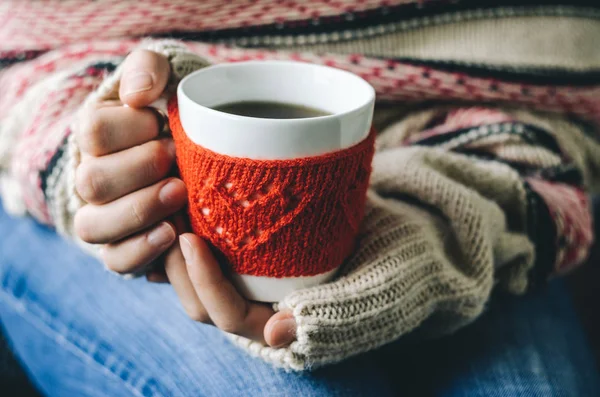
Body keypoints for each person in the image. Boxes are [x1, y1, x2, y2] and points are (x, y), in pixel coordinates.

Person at [1, 0, 599, 395]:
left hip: (491, 157)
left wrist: (451, 220)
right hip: (62, 112)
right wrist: (95, 153)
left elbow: (565, 64)